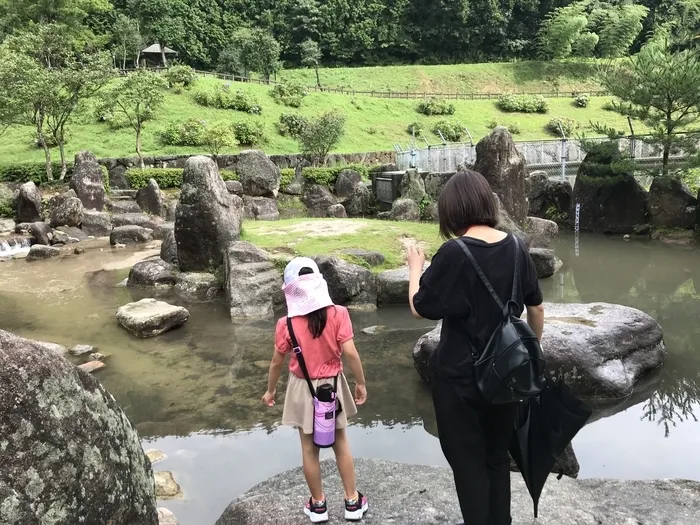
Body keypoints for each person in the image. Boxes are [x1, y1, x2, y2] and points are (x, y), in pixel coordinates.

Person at [406, 171, 545, 525]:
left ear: (451, 211)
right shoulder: (516, 246)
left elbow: (421, 307)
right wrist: (527, 357)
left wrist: (415, 268)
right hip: (505, 378)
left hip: (459, 381)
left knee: (468, 466)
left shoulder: (454, 252)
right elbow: (536, 308)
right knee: (497, 458)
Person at [262, 257, 369, 523]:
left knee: (309, 449)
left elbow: (277, 361)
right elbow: (350, 352)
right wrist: (361, 382)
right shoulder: (339, 313)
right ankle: (352, 502)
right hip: (333, 385)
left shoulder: (285, 323)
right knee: (340, 443)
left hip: (301, 388)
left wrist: (271, 391)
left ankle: (318, 505)